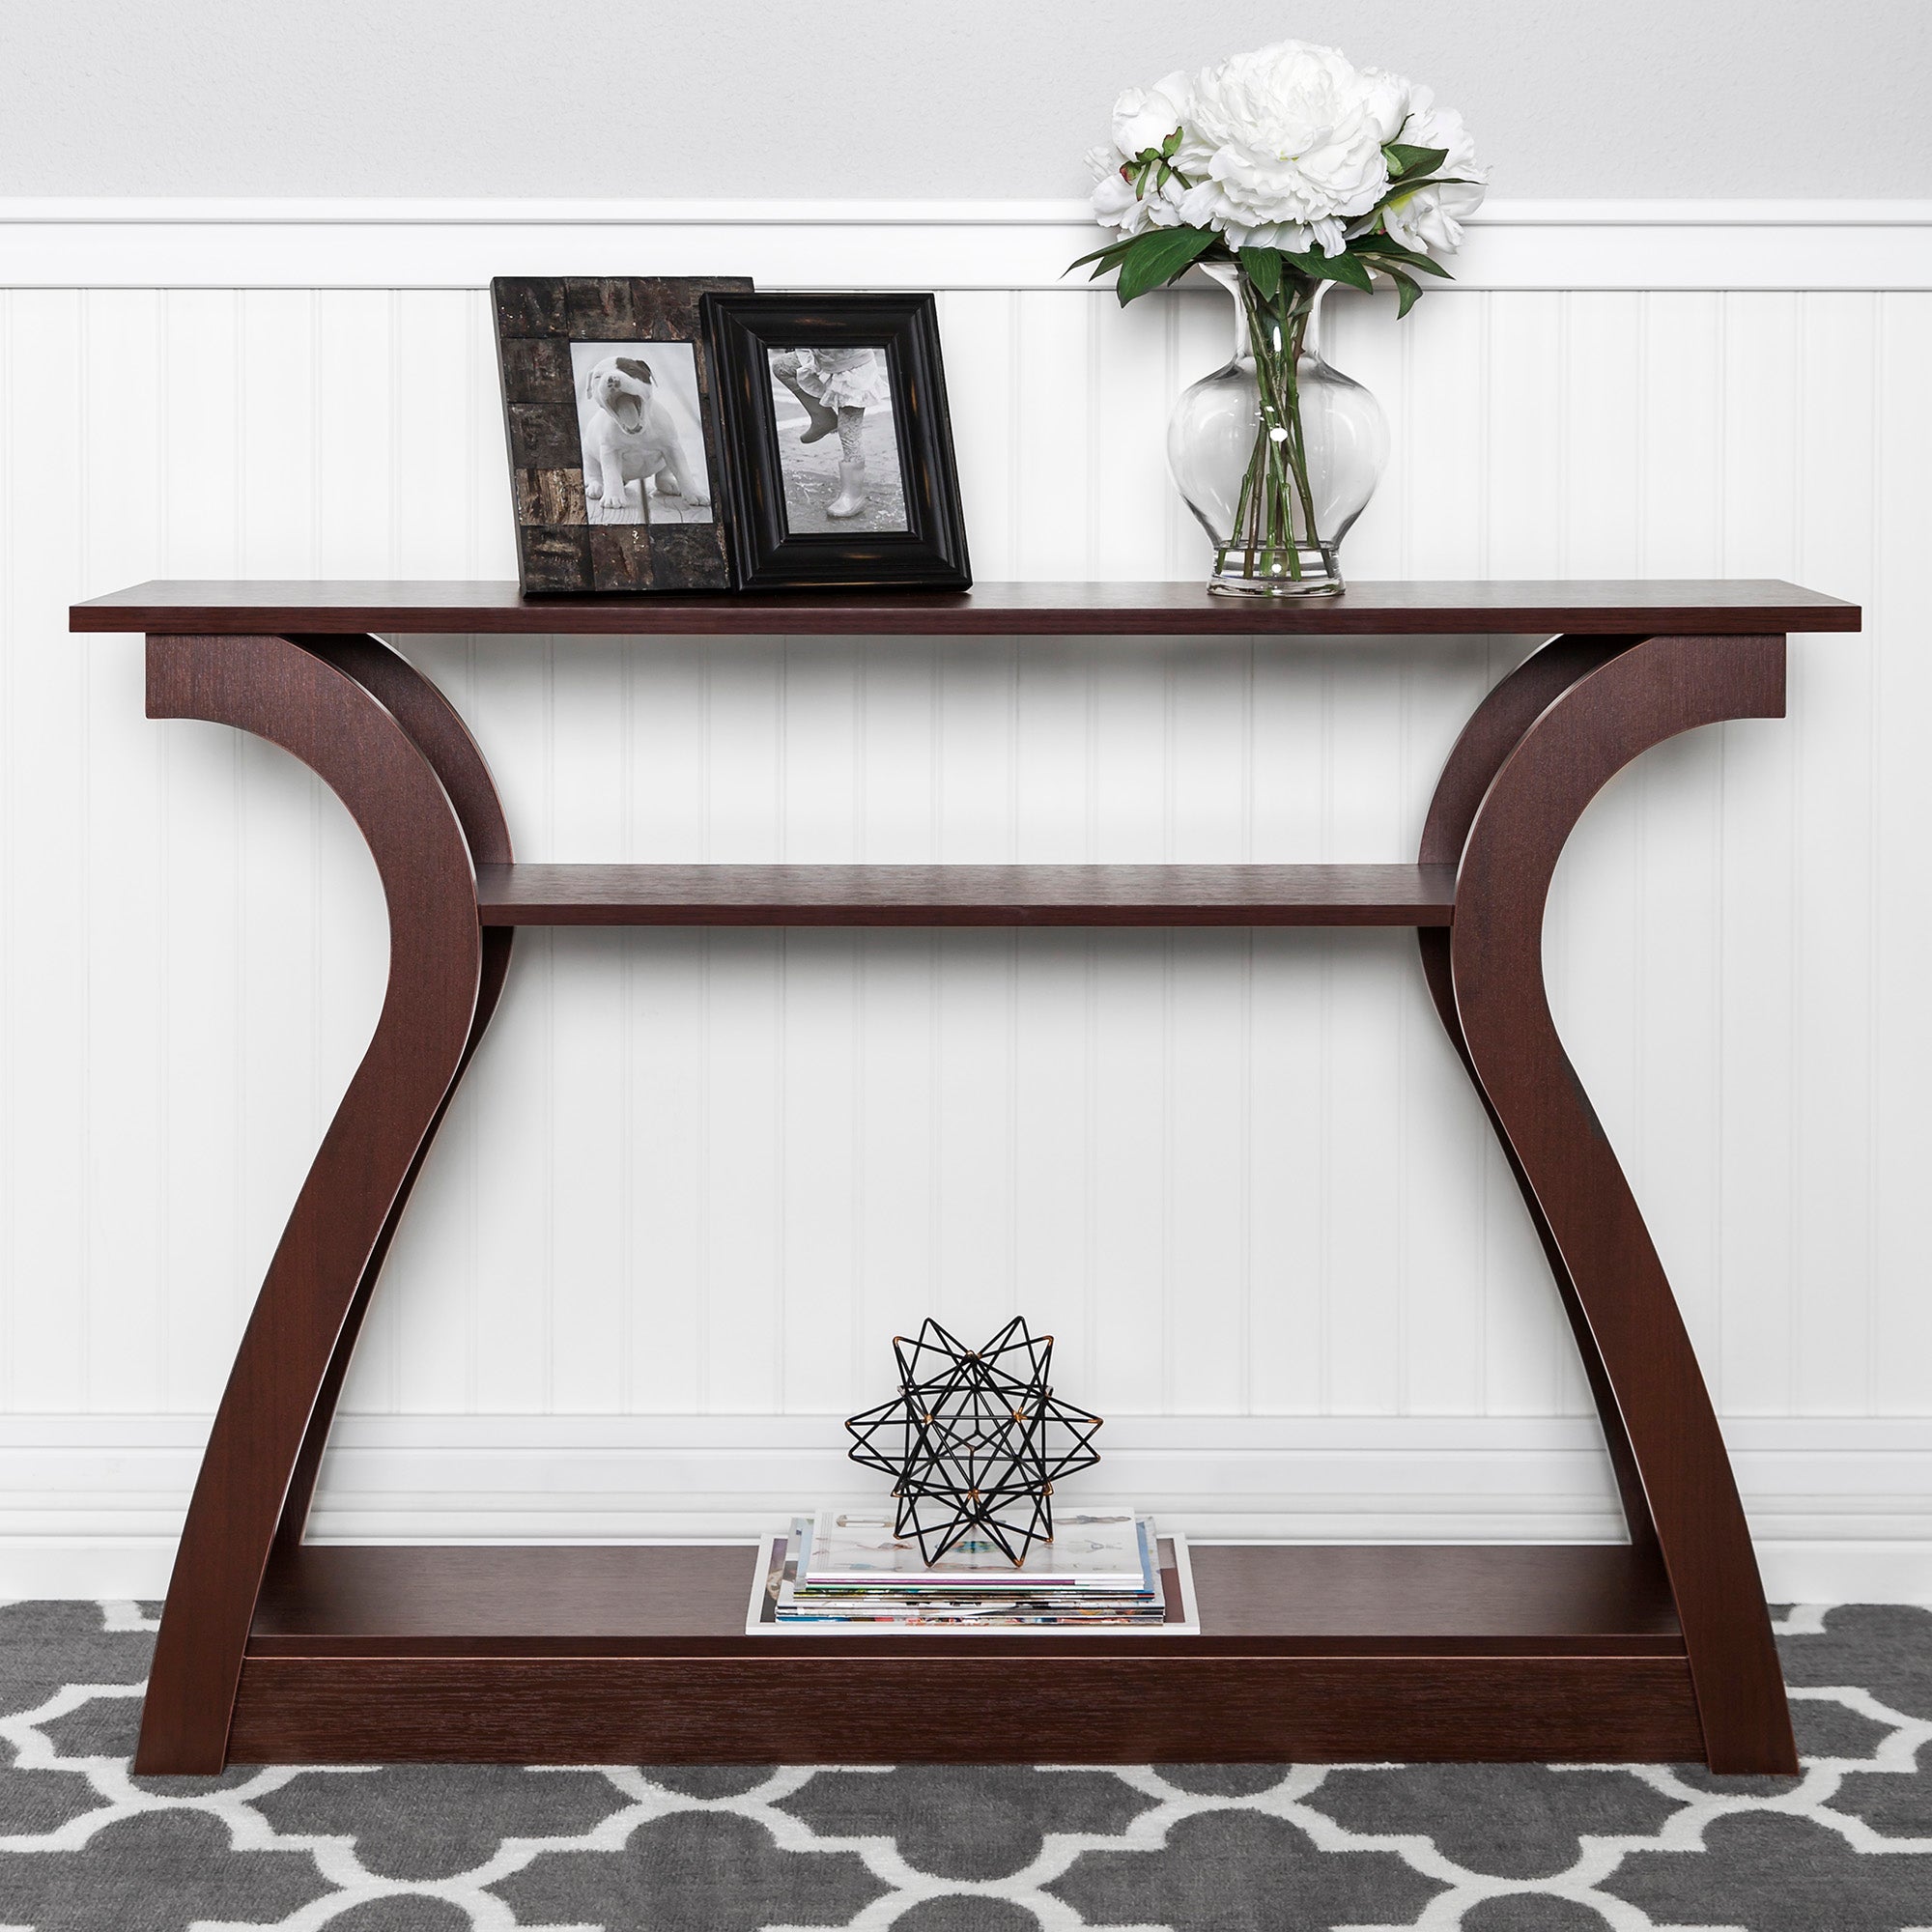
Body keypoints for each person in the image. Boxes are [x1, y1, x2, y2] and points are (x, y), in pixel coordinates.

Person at [770, 346, 890, 519]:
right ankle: (822, 417)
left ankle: (853, 495)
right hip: (823, 358)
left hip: (853, 370)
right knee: (782, 366)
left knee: (849, 434)